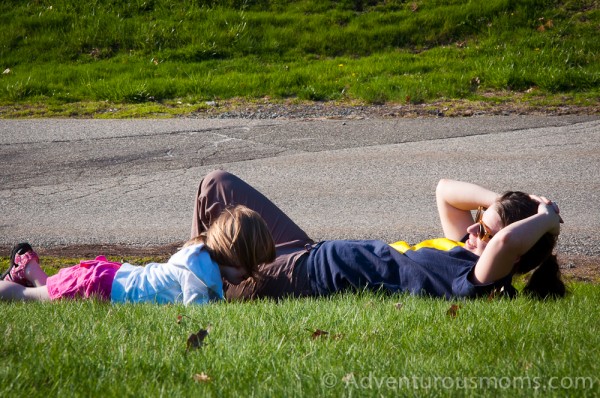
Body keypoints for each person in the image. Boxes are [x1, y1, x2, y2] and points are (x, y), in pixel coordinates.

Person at [192, 170, 565, 301]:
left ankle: (187, 283)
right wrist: (497, 205)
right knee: (216, 184)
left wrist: (546, 220)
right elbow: (444, 190)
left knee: (224, 263)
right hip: (308, 251)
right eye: (479, 219)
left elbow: (504, 243)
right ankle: (193, 272)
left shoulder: (479, 279)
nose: (471, 227)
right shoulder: (464, 250)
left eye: (482, 228)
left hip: (302, 277)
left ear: (513, 257)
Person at [0, 205, 276, 304]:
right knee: (28, 298)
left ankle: (27, 268)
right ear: (233, 255)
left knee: (50, 290)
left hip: (111, 277)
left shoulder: (199, 258)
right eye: (249, 268)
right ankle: (23, 273)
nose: (249, 277)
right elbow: (200, 321)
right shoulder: (197, 277)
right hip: (99, 287)